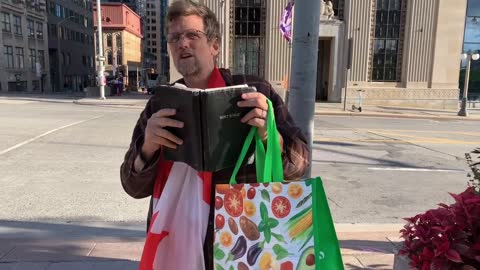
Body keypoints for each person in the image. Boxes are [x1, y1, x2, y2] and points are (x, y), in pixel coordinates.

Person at [120, 1, 309, 269]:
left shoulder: (255, 93)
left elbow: (298, 166)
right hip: (177, 244)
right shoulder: (159, 105)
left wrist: (270, 136)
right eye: (174, 38)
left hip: (242, 240)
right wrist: (148, 148)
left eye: (192, 35)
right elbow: (131, 185)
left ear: (215, 46)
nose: (182, 44)